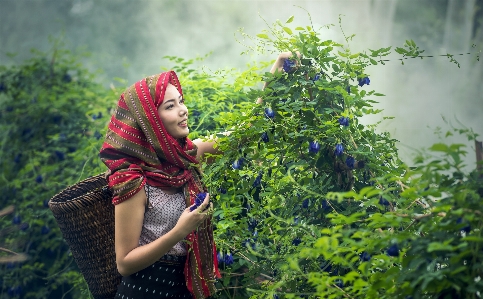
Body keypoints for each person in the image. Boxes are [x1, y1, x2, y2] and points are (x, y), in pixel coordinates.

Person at [98, 53, 295, 299]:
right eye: (170, 106)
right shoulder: (132, 179)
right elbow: (125, 263)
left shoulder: (187, 155)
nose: (183, 111)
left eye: (181, 101)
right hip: (146, 290)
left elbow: (249, 130)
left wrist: (276, 72)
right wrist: (180, 232)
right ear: (150, 122)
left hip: (184, 288)